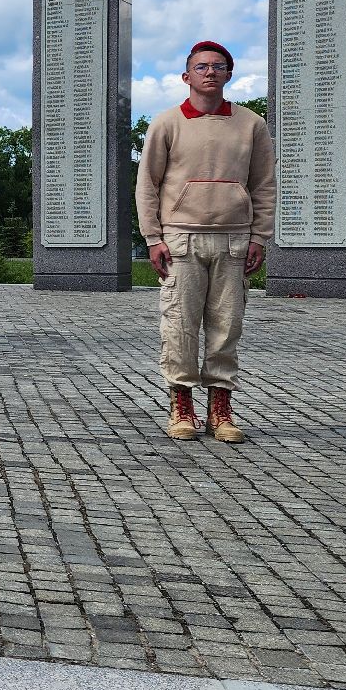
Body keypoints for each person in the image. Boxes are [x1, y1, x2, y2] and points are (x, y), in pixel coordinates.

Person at [135, 40, 275, 443]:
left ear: (229, 74)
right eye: (201, 67)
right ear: (186, 76)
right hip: (181, 239)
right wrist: (153, 237)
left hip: (234, 238)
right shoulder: (166, 123)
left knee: (226, 326)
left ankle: (221, 410)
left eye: (218, 66)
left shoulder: (252, 124)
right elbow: (148, 184)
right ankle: (181, 406)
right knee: (180, 325)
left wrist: (259, 236)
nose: (210, 72)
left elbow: (264, 184)